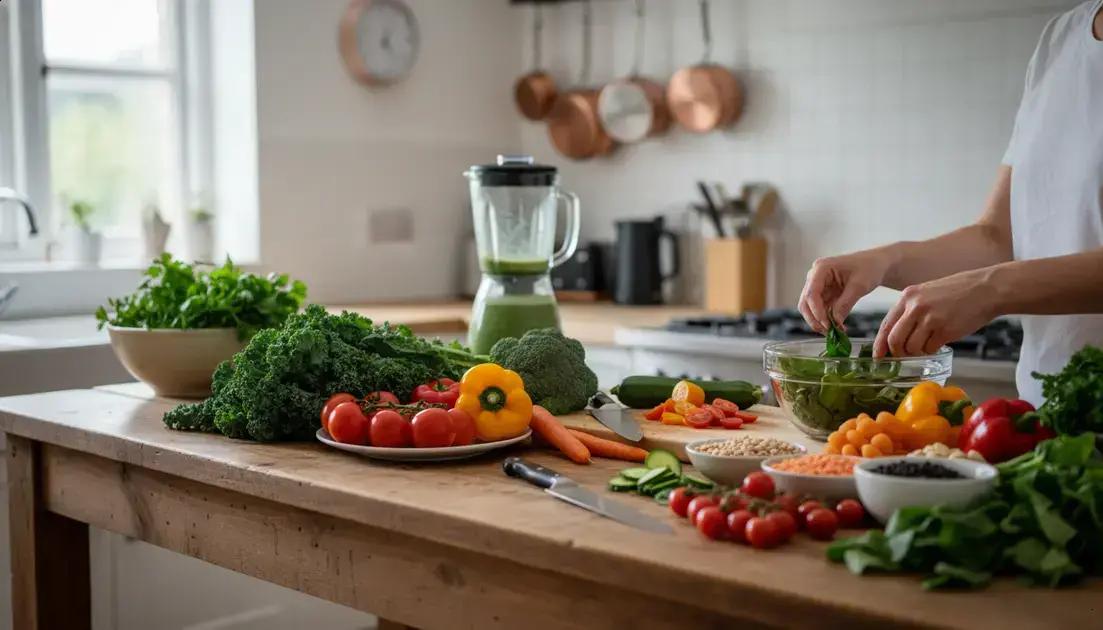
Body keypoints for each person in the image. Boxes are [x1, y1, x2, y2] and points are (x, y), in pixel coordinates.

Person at [797, 0, 1103, 406]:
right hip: (1048, 413)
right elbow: (997, 236)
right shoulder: (1060, 40)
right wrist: (884, 262)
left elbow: (995, 269)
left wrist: (990, 289)